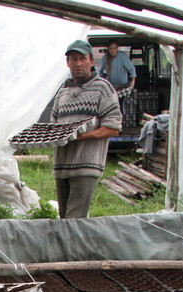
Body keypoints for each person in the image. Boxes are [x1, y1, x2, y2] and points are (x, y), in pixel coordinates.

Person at [50, 39, 123, 219]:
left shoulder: (103, 89)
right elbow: (53, 125)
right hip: (62, 166)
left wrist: (79, 136)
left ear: (92, 61)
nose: (78, 63)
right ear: (68, 63)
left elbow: (113, 128)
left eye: (83, 58)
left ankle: (74, 248)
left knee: (75, 220)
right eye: (74, 59)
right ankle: (67, 247)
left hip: (86, 166)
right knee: (64, 217)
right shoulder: (63, 92)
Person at [98, 38, 136, 116]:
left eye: (115, 48)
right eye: (111, 49)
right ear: (108, 49)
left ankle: (121, 121)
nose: (113, 51)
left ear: (117, 48)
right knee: (112, 105)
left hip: (123, 86)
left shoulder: (123, 56)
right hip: (111, 87)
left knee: (121, 104)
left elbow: (131, 69)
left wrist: (133, 81)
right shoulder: (105, 58)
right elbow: (100, 72)